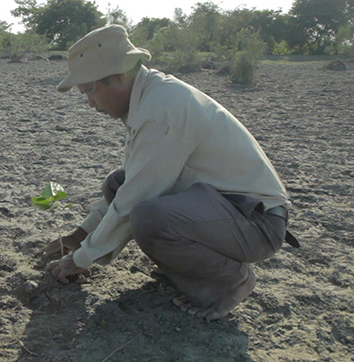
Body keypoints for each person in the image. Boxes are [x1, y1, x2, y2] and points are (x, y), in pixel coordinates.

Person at [44, 25, 298, 321]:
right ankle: (190, 269)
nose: (89, 102)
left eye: (88, 89)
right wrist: (81, 234)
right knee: (118, 182)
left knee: (149, 217)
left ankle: (230, 281)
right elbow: (133, 184)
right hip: (221, 209)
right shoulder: (150, 98)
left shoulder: (162, 108)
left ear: (118, 78)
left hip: (255, 224)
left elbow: (135, 200)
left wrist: (80, 258)